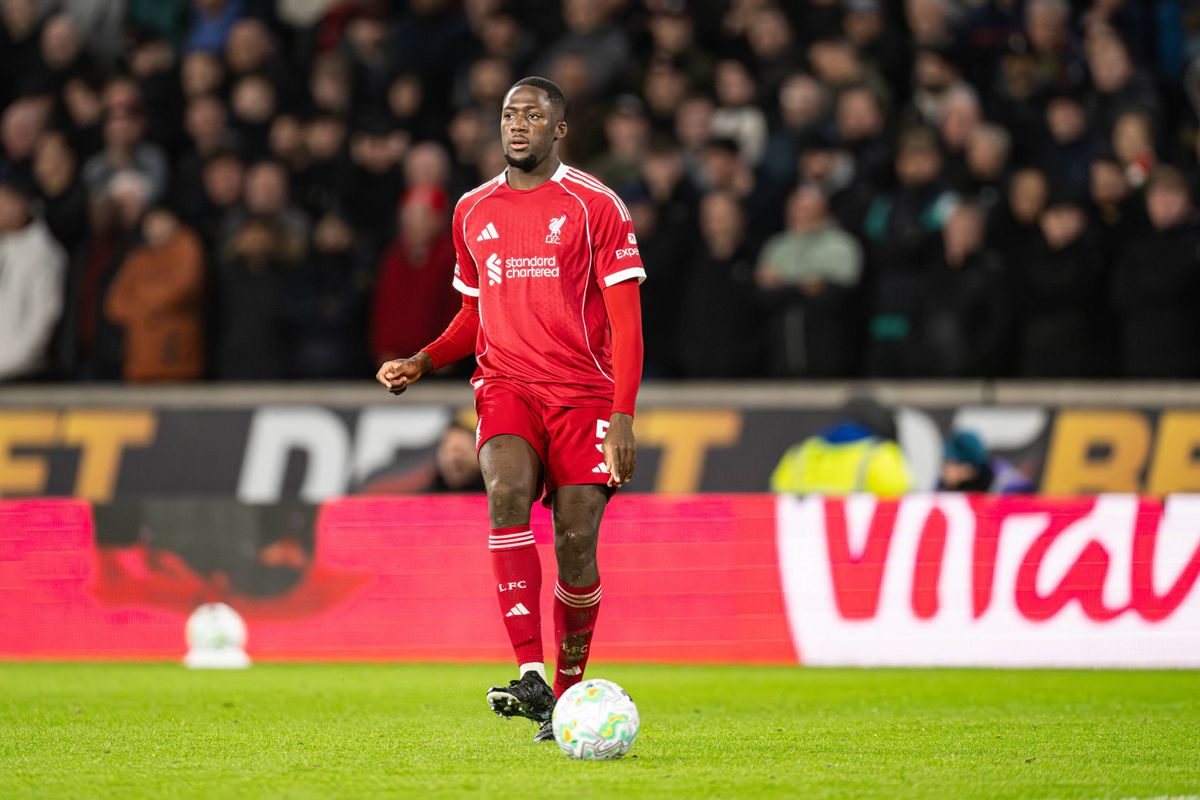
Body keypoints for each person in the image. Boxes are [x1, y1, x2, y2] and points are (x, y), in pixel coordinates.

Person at [374, 77, 644, 743]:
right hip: (507, 385)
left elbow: (627, 323)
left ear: (559, 129)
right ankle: (529, 672)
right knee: (506, 492)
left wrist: (624, 414)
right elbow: (474, 315)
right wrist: (424, 360)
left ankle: (566, 696)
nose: (517, 124)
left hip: (584, 393)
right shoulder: (472, 210)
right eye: (508, 114)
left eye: (533, 115)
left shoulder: (596, 206)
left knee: (576, 542)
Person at [769, 396, 913, 497]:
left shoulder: (800, 453)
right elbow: (903, 511)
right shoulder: (881, 454)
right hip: (860, 533)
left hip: (803, 532)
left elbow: (775, 504)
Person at [0, 176, 67, 381]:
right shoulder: (6, 247)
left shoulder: (44, 253)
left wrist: (7, 364)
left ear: (21, 203)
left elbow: (43, 320)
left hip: (21, 376)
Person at [938, 430, 1035, 494]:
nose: (944, 470)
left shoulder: (1007, 485)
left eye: (950, 463)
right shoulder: (944, 485)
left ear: (967, 467)